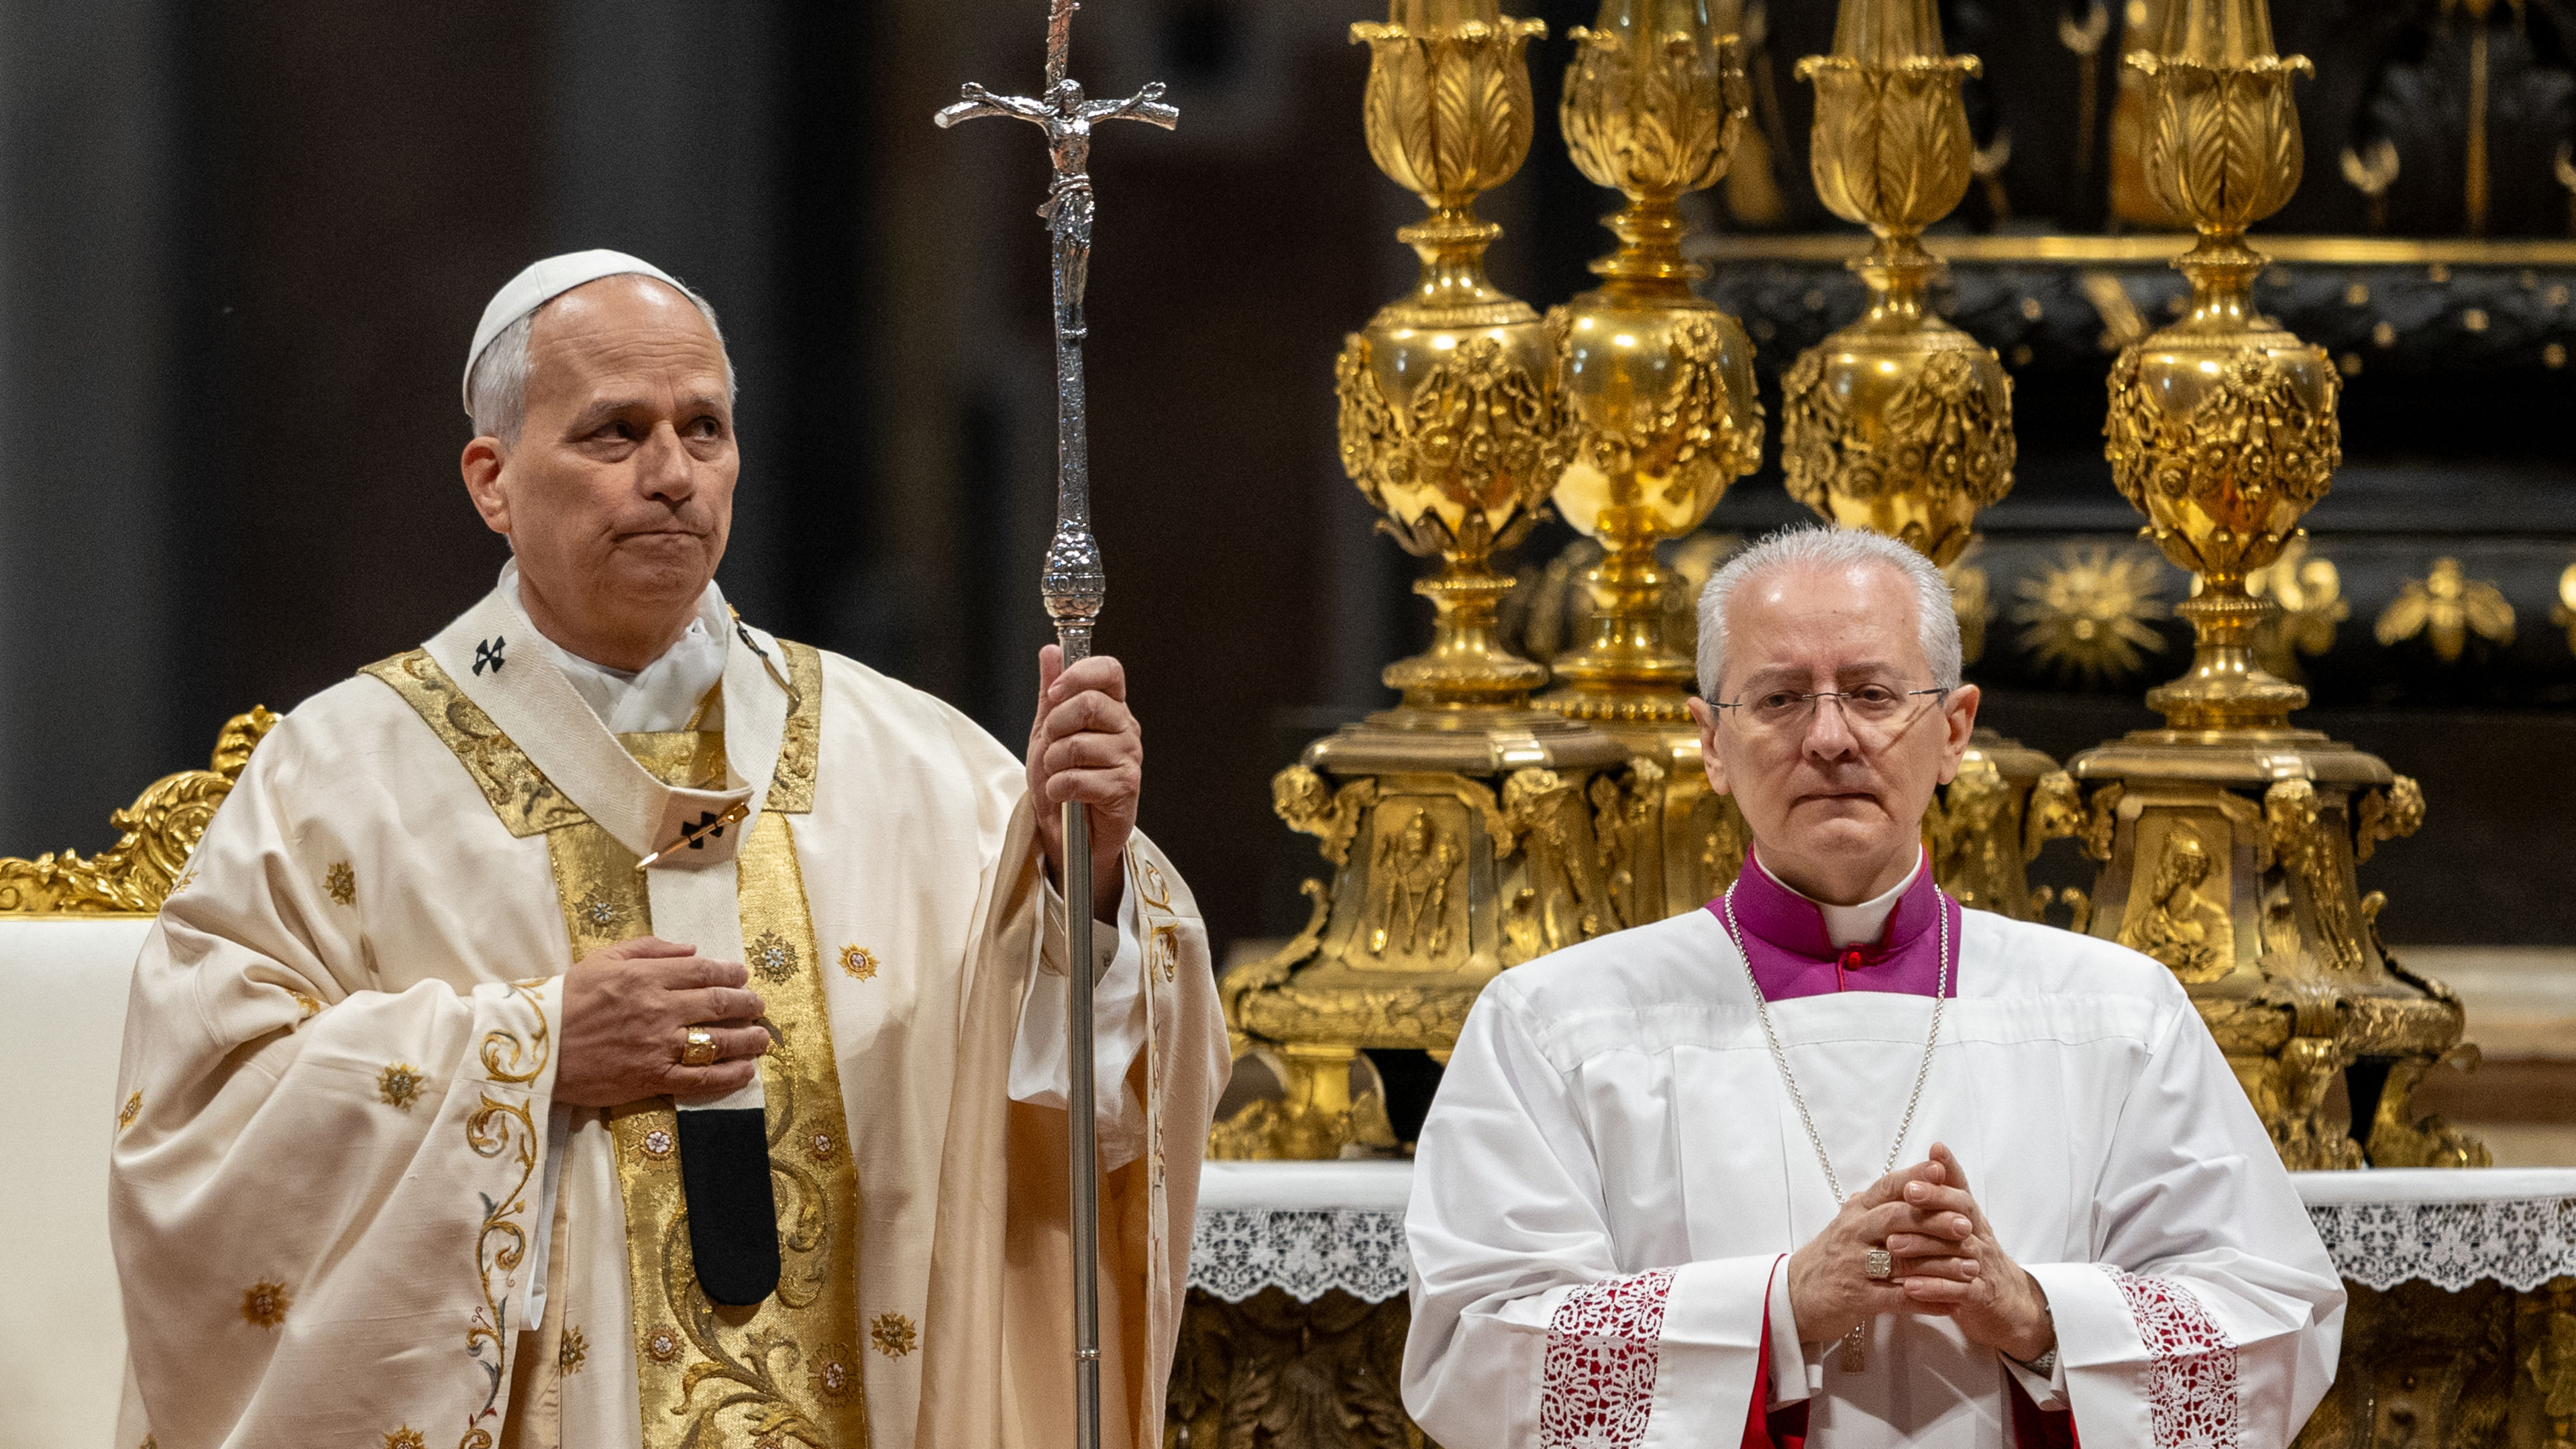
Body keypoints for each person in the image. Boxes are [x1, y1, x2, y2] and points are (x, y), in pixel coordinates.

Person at [108, 250, 1228, 1449]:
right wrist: (534, 1048)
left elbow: (1087, 1107)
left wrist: (1081, 882)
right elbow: (204, 1121)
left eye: (705, 429)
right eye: (615, 432)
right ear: (492, 481)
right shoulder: (341, 778)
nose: (673, 475)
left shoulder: (920, 765)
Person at [1401, 525, 2342, 1448]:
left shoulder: (2119, 1015)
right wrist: (1778, 1310)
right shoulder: (1553, 1024)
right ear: (1712, 743)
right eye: (1779, 699)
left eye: (1873, 694)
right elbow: (1476, 1349)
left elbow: (2271, 1320)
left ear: (1954, 730)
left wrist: (2037, 1314)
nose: (1829, 737)